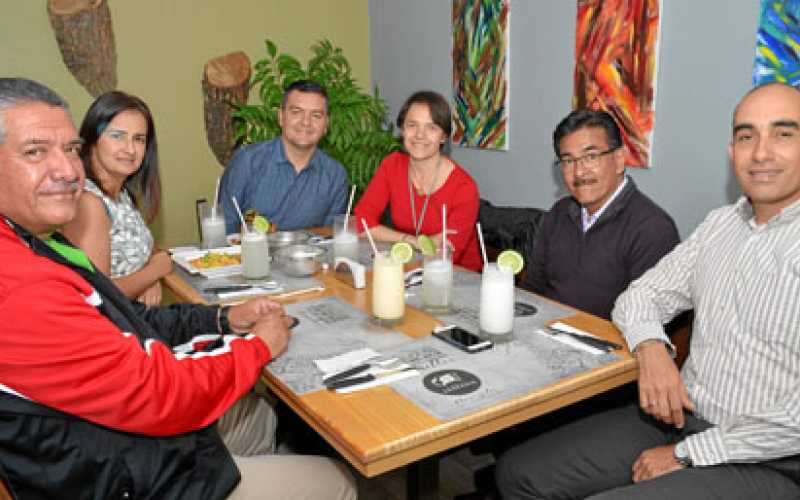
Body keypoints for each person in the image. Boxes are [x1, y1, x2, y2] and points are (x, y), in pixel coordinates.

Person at [0, 78, 356, 499]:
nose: (66, 169)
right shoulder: (23, 283)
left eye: (70, 149)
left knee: (260, 416)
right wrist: (258, 346)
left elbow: (130, 319)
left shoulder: (42, 241)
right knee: (339, 481)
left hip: (128, 440)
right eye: (35, 151)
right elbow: (158, 392)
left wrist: (224, 317)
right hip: (127, 471)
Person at [495, 82, 800, 500]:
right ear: (732, 152)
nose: (761, 152)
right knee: (517, 473)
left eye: (783, 134)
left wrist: (689, 452)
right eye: (747, 136)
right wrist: (653, 347)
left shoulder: (649, 224)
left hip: (769, 458)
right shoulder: (720, 225)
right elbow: (640, 296)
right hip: (682, 415)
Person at [522, 108, 680, 320]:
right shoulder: (559, 213)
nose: (579, 172)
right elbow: (532, 290)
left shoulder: (652, 229)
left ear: (619, 159)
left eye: (591, 156)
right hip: (545, 334)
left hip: (610, 348)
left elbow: (647, 324)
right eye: (568, 161)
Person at [61, 91, 171, 306]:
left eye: (139, 139)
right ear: (93, 139)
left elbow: (138, 249)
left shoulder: (122, 194)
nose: (130, 149)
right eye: (117, 135)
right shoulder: (89, 202)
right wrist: (155, 271)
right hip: (109, 331)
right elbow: (98, 295)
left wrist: (149, 276)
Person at [354, 90, 482, 271]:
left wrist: (431, 246)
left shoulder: (464, 188)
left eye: (431, 127)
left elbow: (446, 254)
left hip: (459, 279)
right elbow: (361, 223)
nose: (420, 135)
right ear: (403, 130)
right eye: (412, 125)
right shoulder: (392, 165)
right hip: (408, 268)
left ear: (443, 136)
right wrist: (412, 241)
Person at [220, 79, 348, 233]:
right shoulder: (247, 161)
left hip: (310, 256)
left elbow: (331, 235)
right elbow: (224, 229)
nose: (306, 122)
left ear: (326, 124)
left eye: (316, 115)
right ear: (281, 117)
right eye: (296, 112)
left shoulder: (335, 175)